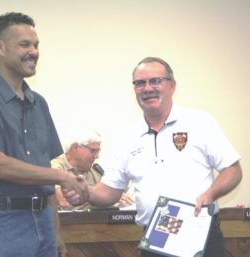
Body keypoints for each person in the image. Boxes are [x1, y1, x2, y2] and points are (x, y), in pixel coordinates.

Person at [63, 57, 243, 257]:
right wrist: (84, 191)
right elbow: (109, 192)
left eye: (155, 81)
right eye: (140, 83)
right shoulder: (127, 136)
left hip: (200, 233)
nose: (147, 88)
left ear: (172, 86)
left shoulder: (200, 122)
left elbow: (233, 170)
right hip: (155, 240)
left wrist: (210, 194)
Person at [0, 12, 88, 257]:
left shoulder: (39, 103)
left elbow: (44, 174)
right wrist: (62, 176)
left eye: (36, 45)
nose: (34, 51)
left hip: (42, 222)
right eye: (24, 44)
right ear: (0, 47)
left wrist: (56, 231)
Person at [52, 128, 135, 210]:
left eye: (98, 151)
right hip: (65, 222)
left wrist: (119, 196)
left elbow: (109, 192)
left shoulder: (95, 171)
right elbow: (63, 200)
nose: (97, 156)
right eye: (93, 150)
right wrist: (105, 198)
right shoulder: (54, 167)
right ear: (75, 147)